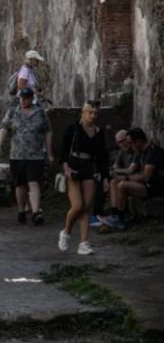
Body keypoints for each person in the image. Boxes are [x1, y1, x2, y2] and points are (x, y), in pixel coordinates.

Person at [0, 88, 54, 226]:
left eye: (26, 98)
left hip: (36, 155)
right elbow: (3, 129)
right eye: (21, 98)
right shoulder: (12, 112)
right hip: (17, 155)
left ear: (31, 98)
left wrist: (50, 153)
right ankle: (21, 210)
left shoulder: (40, 113)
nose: (23, 101)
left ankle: (35, 212)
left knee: (34, 182)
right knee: (20, 185)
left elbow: (48, 133)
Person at [58, 101, 109, 256]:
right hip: (74, 166)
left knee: (86, 207)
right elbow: (64, 149)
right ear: (83, 112)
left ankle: (84, 243)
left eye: (96, 113)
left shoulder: (98, 132)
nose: (93, 116)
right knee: (77, 205)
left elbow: (102, 157)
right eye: (90, 112)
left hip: (88, 167)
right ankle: (66, 232)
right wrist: (66, 167)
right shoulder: (73, 128)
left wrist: (105, 177)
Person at [102, 128, 164, 231]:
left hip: (155, 187)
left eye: (130, 143)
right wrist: (114, 172)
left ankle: (122, 220)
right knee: (114, 182)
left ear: (138, 141)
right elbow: (131, 170)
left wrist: (124, 178)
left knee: (122, 185)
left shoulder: (153, 152)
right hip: (146, 184)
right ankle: (116, 214)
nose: (129, 145)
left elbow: (145, 177)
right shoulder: (140, 151)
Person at [98, 130, 140, 227]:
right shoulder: (122, 152)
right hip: (125, 177)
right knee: (112, 182)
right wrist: (113, 172)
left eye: (124, 140)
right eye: (119, 142)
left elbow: (130, 170)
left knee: (117, 182)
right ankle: (115, 214)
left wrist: (116, 171)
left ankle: (122, 215)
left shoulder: (135, 151)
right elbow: (115, 166)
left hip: (134, 178)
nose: (123, 144)